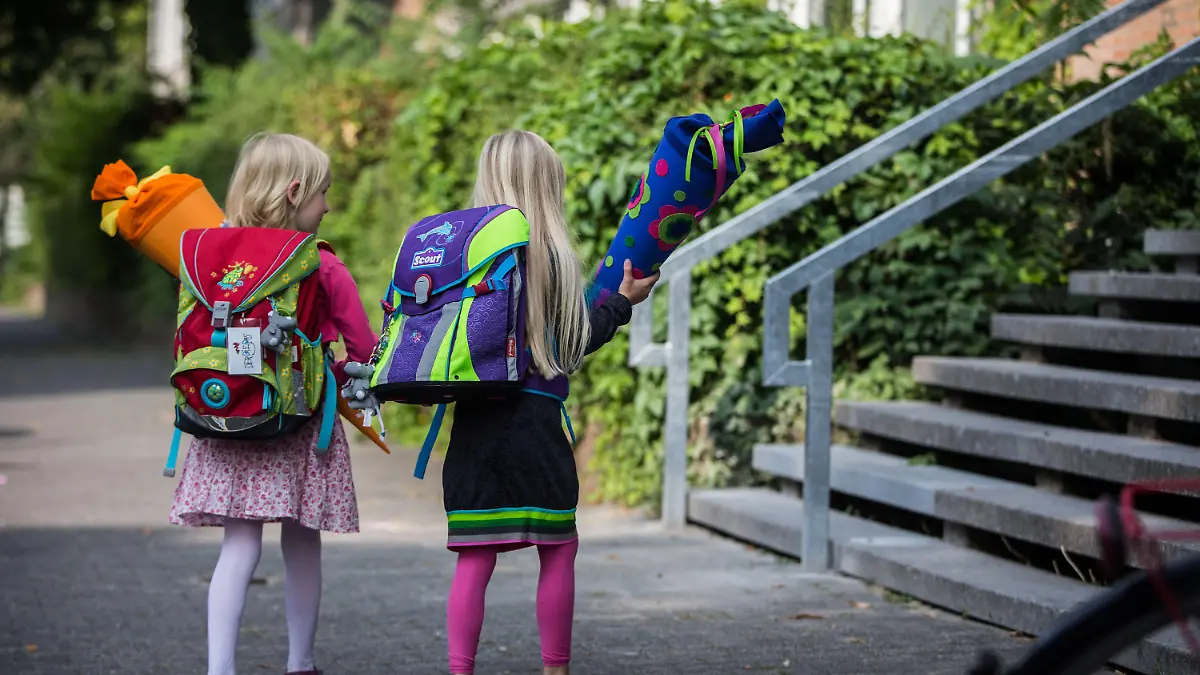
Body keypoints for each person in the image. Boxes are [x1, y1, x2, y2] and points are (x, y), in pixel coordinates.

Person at [441, 130, 659, 675]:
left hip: (475, 425)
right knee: (558, 549)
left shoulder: (462, 255)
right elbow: (574, 343)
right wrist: (623, 304)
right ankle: (554, 669)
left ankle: (459, 669)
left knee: (475, 557)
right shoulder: (554, 259)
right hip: (537, 425)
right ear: (547, 186)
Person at [168, 132, 377, 675]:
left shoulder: (204, 253)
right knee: (302, 541)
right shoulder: (318, 263)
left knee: (237, 550)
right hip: (296, 423)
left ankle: (220, 669)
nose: (328, 206)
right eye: (323, 193)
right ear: (294, 191)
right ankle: (300, 663)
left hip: (221, 416)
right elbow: (364, 349)